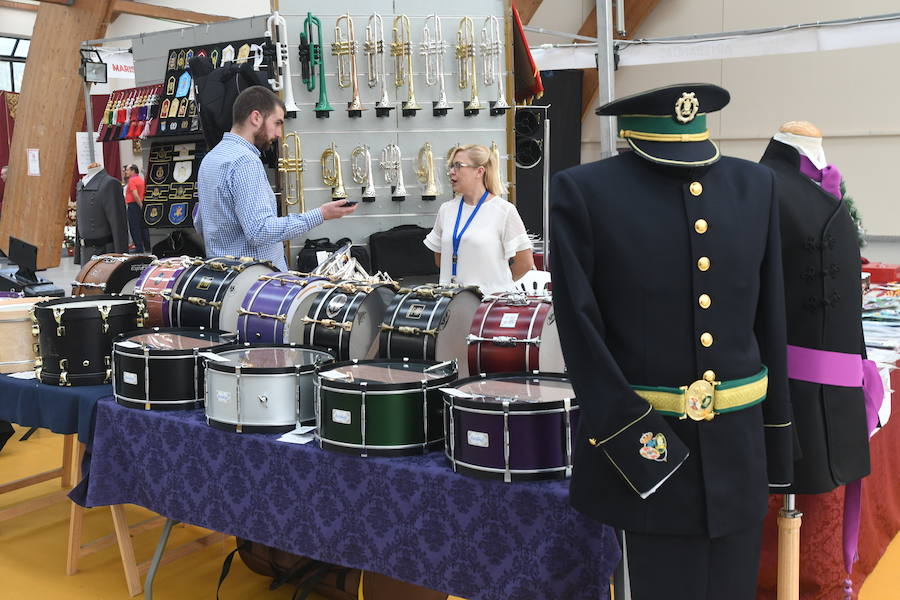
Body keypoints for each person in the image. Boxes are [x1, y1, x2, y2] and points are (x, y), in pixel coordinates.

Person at [550, 84, 794, 599]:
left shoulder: (756, 187)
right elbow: (580, 332)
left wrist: (777, 443)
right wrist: (640, 449)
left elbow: (771, 319)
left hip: (737, 455)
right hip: (645, 457)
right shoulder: (585, 192)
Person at [195, 86, 355, 270]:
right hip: (253, 285)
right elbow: (259, 231)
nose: (279, 133)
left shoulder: (211, 158)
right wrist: (320, 215)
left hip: (223, 281)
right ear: (256, 118)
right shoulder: (245, 162)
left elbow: (201, 224)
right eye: (277, 123)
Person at [423, 144, 533, 294]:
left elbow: (525, 263)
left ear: (479, 171)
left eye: (458, 166)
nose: (451, 172)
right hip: (452, 304)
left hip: (489, 307)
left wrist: (494, 286)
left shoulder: (504, 211)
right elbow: (440, 259)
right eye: (450, 166)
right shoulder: (446, 210)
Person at [124, 164, 150, 253]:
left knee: (134, 227)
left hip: (134, 206)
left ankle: (139, 248)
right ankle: (147, 247)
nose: (126, 172)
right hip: (140, 204)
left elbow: (135, 194)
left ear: (132, 171)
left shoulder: (132, 180)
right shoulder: (140, 179)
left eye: (127, 170)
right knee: (143, 227)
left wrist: (140, 205)